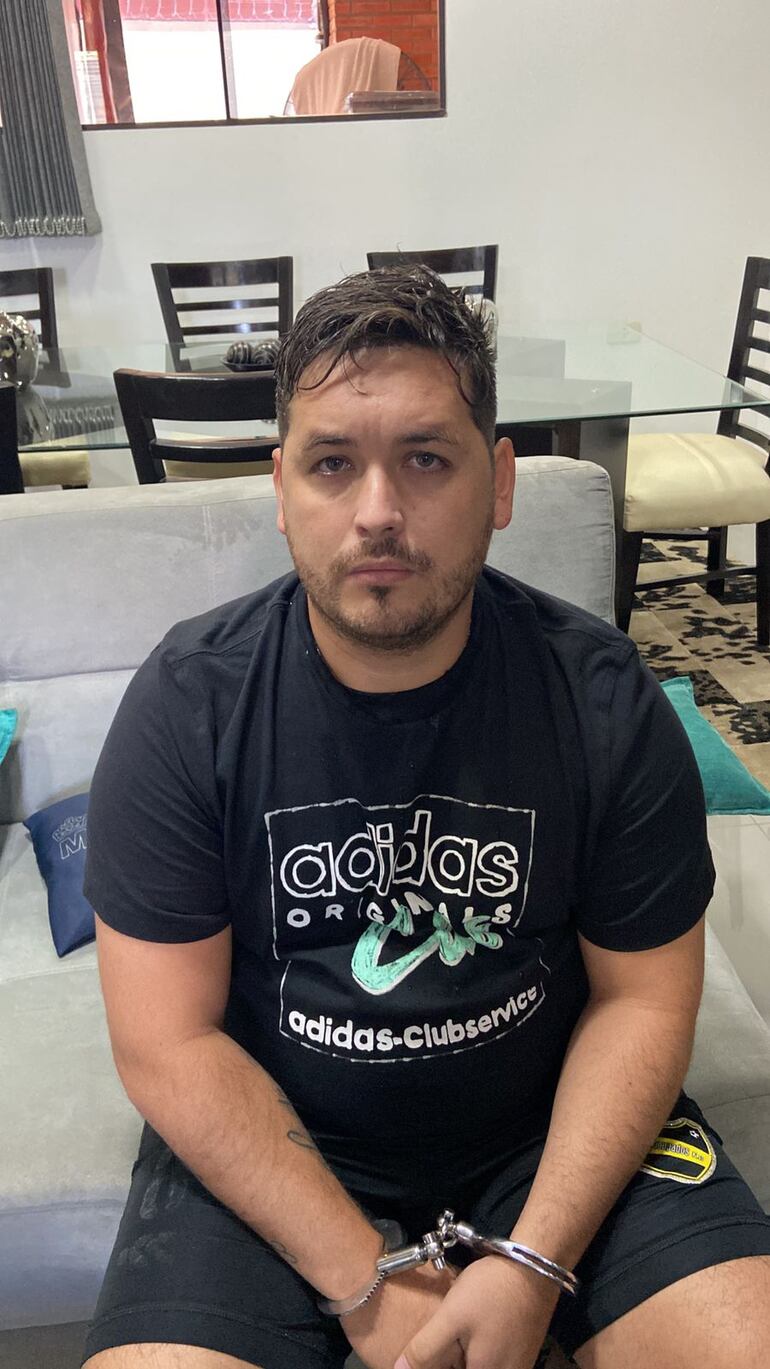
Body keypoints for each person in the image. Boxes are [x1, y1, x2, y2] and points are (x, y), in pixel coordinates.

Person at [81, 266, 770, 1369]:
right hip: (280, 1134)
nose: (377, 513)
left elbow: (643, 998)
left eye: (426, 458)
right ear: (280, 487)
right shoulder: (187, 704)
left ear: (499, 482)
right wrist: (365, 1276)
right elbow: (165, 1041)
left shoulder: (601, 697)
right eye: (332, 463)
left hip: (548, 1125)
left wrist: (535, 1256)